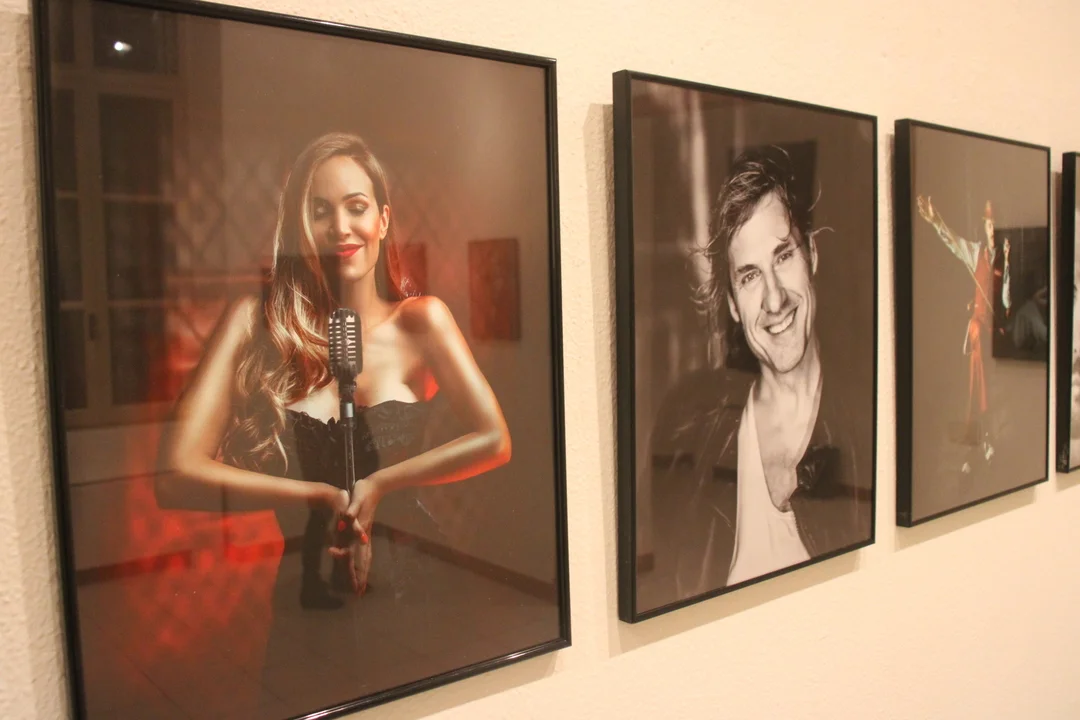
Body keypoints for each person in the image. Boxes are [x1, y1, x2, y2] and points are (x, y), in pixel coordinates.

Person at [154, 132, 511, 702]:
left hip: (418, 585)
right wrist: (317, 497)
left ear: (384, 220)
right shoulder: (254, 323)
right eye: (320, 211)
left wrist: (380, 483)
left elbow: (494, 439)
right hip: (310, 587)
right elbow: (175, 474)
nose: (341, 227)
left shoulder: (421, 321)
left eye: (357, 207)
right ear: (299, 227)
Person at [645, 147, 870, 604]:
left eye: (783, 257)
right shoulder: (690, 434)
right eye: (749, 277)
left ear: (812, 255)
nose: (774, 299)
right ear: (732, 305)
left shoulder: (868, 422)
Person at [916, 197, 1010, 465]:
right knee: (975, 387)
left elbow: (1006, 301)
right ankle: (979, 438)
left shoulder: (1005, 257)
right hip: (978, 334)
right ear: (985, 226)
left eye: (996, 225)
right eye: (989, 225)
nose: (992, 230)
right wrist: (936, 220)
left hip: (995, 333)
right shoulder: (976, 252)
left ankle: (986, 437)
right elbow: (953, 242)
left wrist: (1007, 263)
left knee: (991, 388)